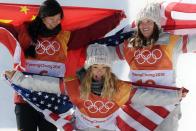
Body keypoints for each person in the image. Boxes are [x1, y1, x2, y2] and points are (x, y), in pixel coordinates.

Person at [4, 44, 185, 131]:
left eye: (103, 68)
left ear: (108, 69)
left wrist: (175, 96)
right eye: (95, 67)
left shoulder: (118, 88)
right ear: (88, 68)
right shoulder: (75, 85)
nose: (99, 72)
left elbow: (147, 96)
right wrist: (19, 78)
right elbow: (45, 84)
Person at [115, 2, 187, 131]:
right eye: (141, 22)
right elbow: (108, 55)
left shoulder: (172, 41)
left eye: (149, 21)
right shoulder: (129, 45)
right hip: (140, 104)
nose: (145, 25)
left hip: (167, 104)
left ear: (156, 24)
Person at [6, 0, 69, 130]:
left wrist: (113, 19)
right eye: (52, 19)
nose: (56, 22)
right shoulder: (24, 32)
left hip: (51, 100)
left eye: (59, 19)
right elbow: (5, 29)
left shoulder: (64, 36)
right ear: (42, 17)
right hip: (25, 98)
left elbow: (89, 33)